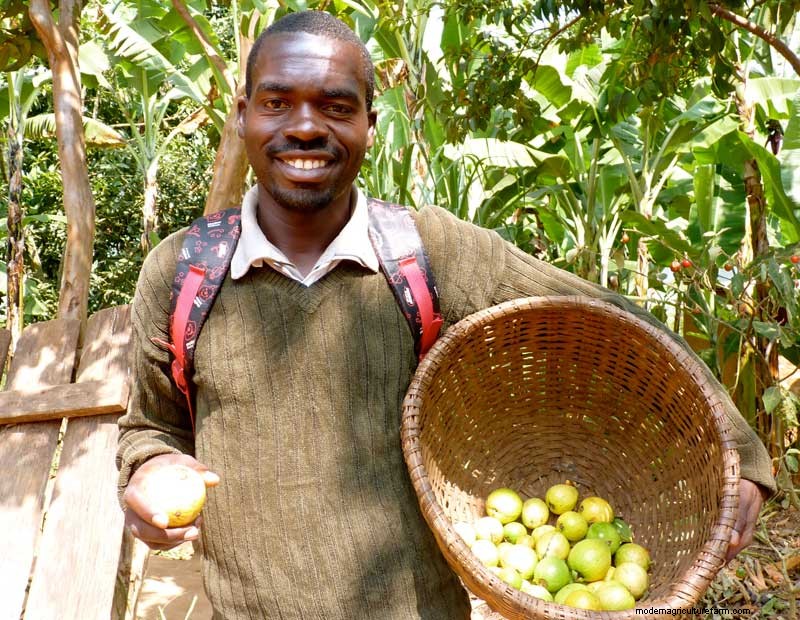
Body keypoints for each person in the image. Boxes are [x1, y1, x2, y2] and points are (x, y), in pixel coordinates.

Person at [117, 10, 774, 620]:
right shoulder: (182, 272)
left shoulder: (431, 252)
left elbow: (609, 320)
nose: (308, 126)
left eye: (337, 107)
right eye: (278, 102)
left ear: (370, 124)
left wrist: (742, 454)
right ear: (242, 115)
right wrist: (147, 474)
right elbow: (148, 428)